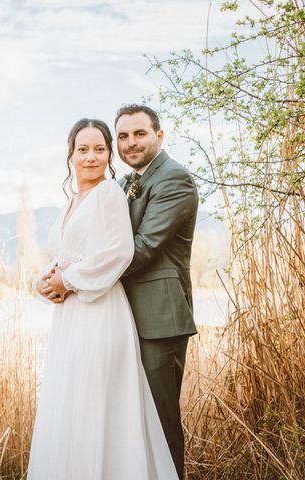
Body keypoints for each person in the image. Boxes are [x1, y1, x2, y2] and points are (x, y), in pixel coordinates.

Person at [27, 118, 178, 479]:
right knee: (70, 404)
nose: (91, 157)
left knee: (95, 406)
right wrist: (44, 280)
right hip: (70, 319)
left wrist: (70, 280)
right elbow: (67, 254)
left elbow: (119, 252)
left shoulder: (109, 193)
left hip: (100, 313)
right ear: (71, 154)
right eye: (83, 149)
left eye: (99, 149)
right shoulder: (73, 201)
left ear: (109, 155)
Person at [115, 104, 199, 479]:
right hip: (122, 314)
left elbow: (145, 245)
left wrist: (79, 280)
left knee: (160, 420)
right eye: (123, 136)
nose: (130, 143)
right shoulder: (123, 183)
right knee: (130, 420)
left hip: (160, 319)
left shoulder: (173, 179)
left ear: (159, 136)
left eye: (139, 133)